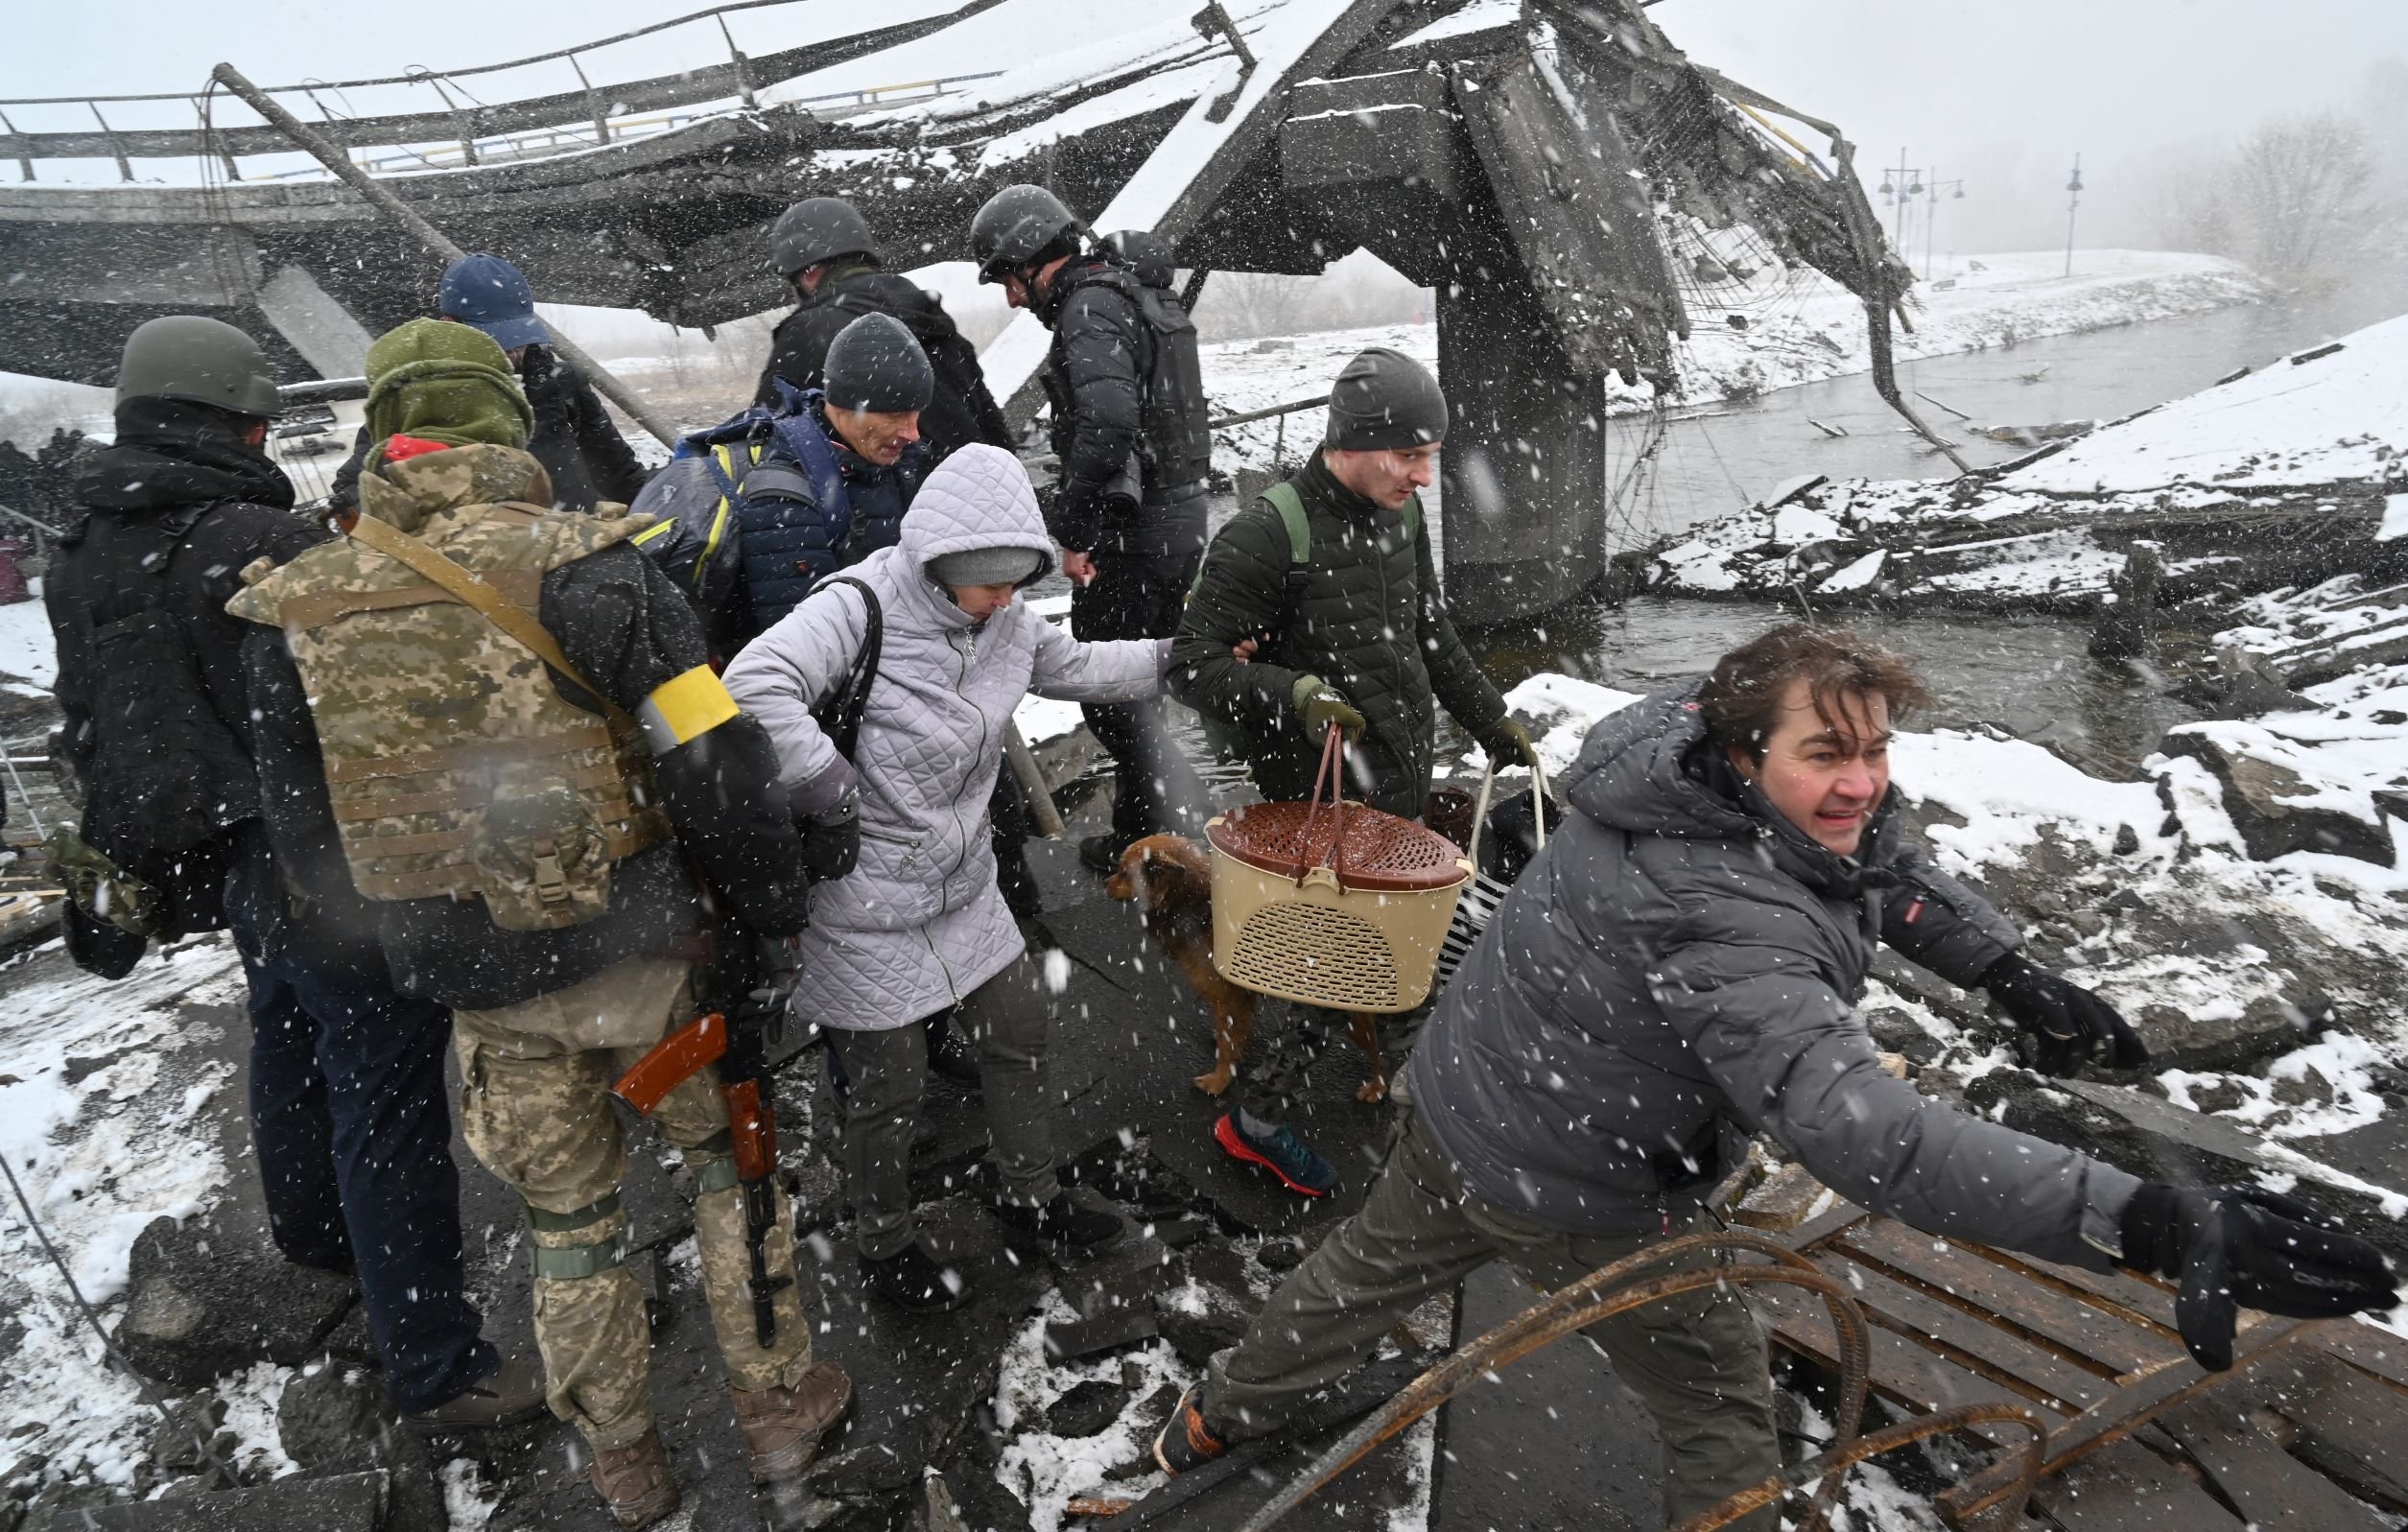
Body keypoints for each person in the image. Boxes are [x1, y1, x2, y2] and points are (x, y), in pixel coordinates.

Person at [1150, 625, 2398, 1527]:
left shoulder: (1671, 760)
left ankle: (1215, 1415)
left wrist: (2008, 972)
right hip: (1577, 1180)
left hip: (1464, 1086)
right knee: (1716, 1401)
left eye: (1872, 748)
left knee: (1362, 1271)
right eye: (1826, 753)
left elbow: (1876, 860)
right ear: (1743, 749)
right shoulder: (1730, 922)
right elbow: (1871, 1140)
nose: (1860, 779)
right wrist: (2153, 1220)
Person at [229, 318, 848, 1528]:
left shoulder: (291, 616)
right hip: (649, 962)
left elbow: (310, 850)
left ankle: (622, 1457)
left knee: (569, 1223)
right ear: (504, 426)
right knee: (730, 1175)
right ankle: (777, 1400)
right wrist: (771, 915)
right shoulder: (598, 571)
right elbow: (716, 766)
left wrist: (436, 944)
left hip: (484, 993)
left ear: (383, 435)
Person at [44, 316, 539, 1428]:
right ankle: (439, 1365)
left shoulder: (80, 550)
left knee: (283, 1029)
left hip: (210, 856)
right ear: (234, 419)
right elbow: (358, 703)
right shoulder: (256, 536)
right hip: (320, 852)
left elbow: (96, 719)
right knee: (389, 1084)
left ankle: (316, 1236)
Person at [723, 444, 1170, 1311]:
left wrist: (1175, 657)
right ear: (940, 563)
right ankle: (882, 1240)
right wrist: (828, 783)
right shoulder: (859, 607)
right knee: (890, 1086)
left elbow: (1078, 666)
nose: (1007, 599)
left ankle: (1029, 1192)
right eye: (990, 581)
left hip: (961, 885)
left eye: (1017, 579)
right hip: (859, 899)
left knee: (1018, 1024)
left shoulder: (1004, 620)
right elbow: (752, 683)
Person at [1168, 346, 1537, 1197]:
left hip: (1399, 785)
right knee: (1326, 968)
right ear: (1358, 442)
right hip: (1319, 804)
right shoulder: (1267, 532)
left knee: (1393, 957)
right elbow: (1191, 665)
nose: (1425, 477)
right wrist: (1292, 690)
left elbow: (1431, 633)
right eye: (1410, 456)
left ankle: (1424, 1111)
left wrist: (1493, 721)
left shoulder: (1399, 517)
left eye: (1431, 457)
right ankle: (1261, 1124)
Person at [970, 184, 1213, 874]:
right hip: (1173, 519)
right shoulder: (1132, 294)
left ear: (1029, 260)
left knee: (1116, 697)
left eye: (1009, 281)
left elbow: (1107, 426)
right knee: (1136, 692)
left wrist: (1072, 530)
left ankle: (1153, 851)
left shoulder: (1089, 308)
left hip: (1135, 536)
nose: (1014, 299)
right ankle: (1155, 839)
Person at [640, 311, 935, 654]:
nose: (912, 433)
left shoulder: (902, 462)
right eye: (895, 416)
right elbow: (806, 651)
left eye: (916, 414)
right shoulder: (784, 496)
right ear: (843, 405)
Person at [329, 253, 648, 516]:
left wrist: (658, 513)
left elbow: (616, 469)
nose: (512, 352)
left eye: (518, 337)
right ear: (450, 325)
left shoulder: (561, 383)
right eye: (496, 338)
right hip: (482, 567)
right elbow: (354, 486)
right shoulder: (418, 394)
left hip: (573, 553)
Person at [755, 196, 1014, 462]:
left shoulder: (810, 331)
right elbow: (993, 429)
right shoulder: (928, 316)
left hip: (900, 499)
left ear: (808, 273)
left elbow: (760, 439)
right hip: (981, 490)